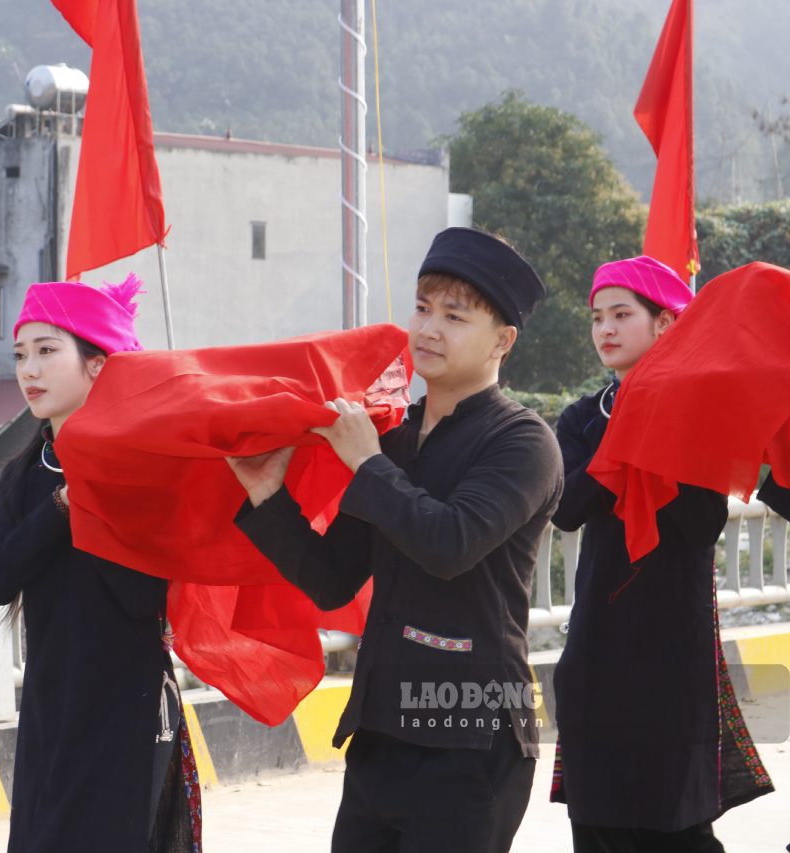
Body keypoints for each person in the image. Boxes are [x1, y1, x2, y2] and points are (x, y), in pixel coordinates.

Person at [228, 227, 563, 853]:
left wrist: (367, 465)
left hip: (473, 733)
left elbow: (449, 543)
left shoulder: (522, 442)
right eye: (422, 308)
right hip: (382, 729)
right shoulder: (397, 440)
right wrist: (268, 496)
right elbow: (331, 580)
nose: (430, 329)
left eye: (455, 316)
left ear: (503, 340)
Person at [550, 255, 773, 851]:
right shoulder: (580, 419)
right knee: (596, 822)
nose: (606, 330)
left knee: (677, 827)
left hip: (673, 652)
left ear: (666, 324)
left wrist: (659, 419)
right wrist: (632, 429)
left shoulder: (702, 415)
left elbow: (699, 525)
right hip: (596, 646)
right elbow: (565, 507)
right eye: (597, 317)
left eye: (622, 314)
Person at [0, 276, 200, 853]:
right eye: (21, 355)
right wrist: (61, 507)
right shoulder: (23, 476)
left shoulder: (142, 468)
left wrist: (98, 497)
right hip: (51, 704)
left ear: (98, 365)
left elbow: (143, 595)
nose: (30, 370)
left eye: (49, 351)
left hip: (123, 703)